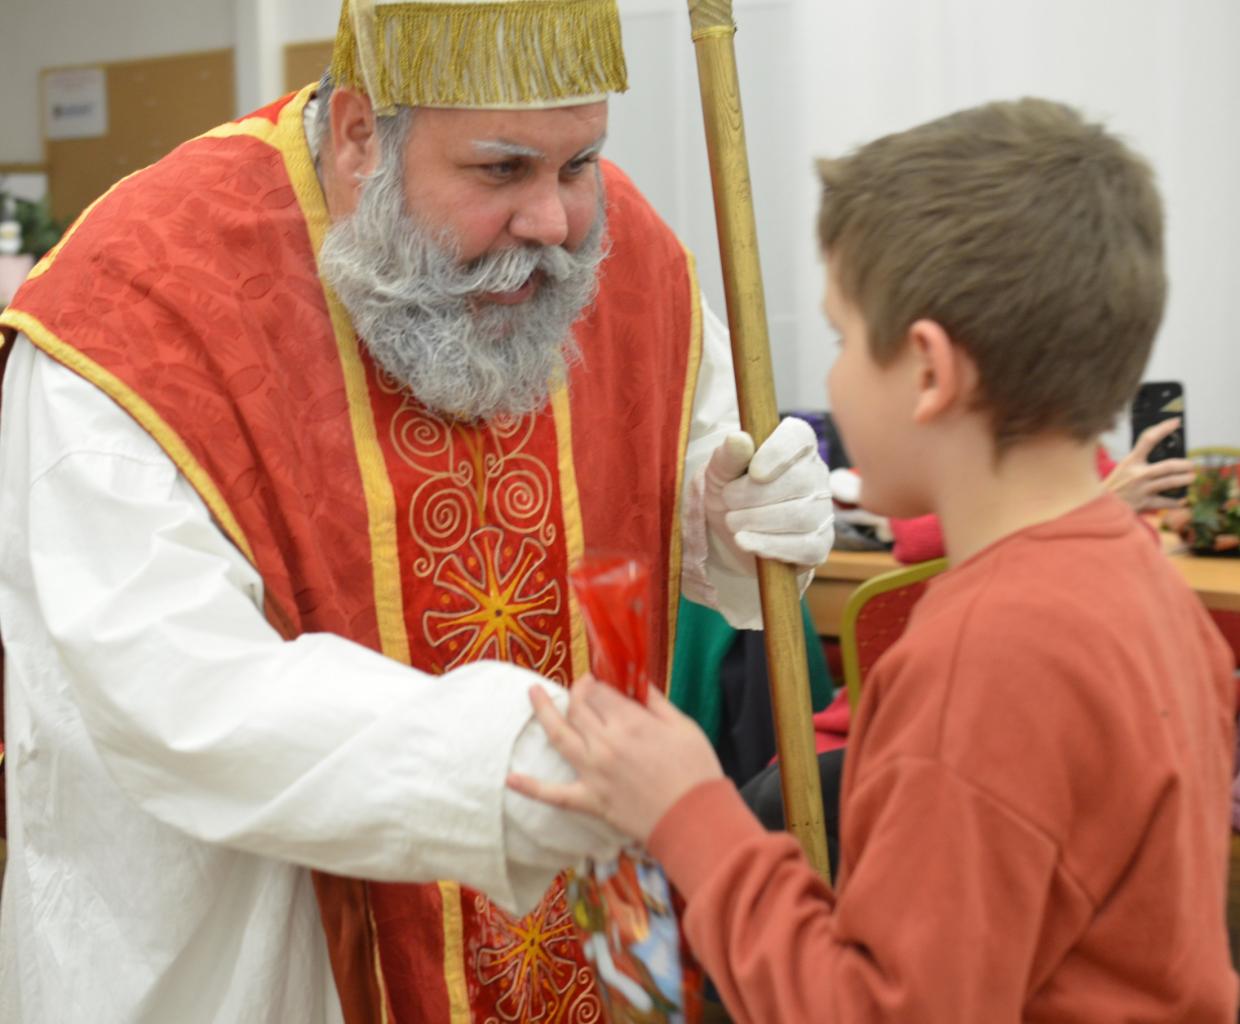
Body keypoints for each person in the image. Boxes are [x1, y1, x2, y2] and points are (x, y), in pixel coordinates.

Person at [0, 1, 836, 1020]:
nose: (554, 222)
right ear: (361, 134)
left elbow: (674, 459)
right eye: (500, 169)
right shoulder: (136, 308)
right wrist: (520, 762)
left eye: (580, 161)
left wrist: (729, 512)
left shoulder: (611, 247)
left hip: (581, 953)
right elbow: (175, 694)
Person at [509, 98, 1239, 1021]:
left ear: (930, 371)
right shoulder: (1141, 582)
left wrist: (690, 810)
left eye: (845, 339)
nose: (833, 378)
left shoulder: (986, 655)